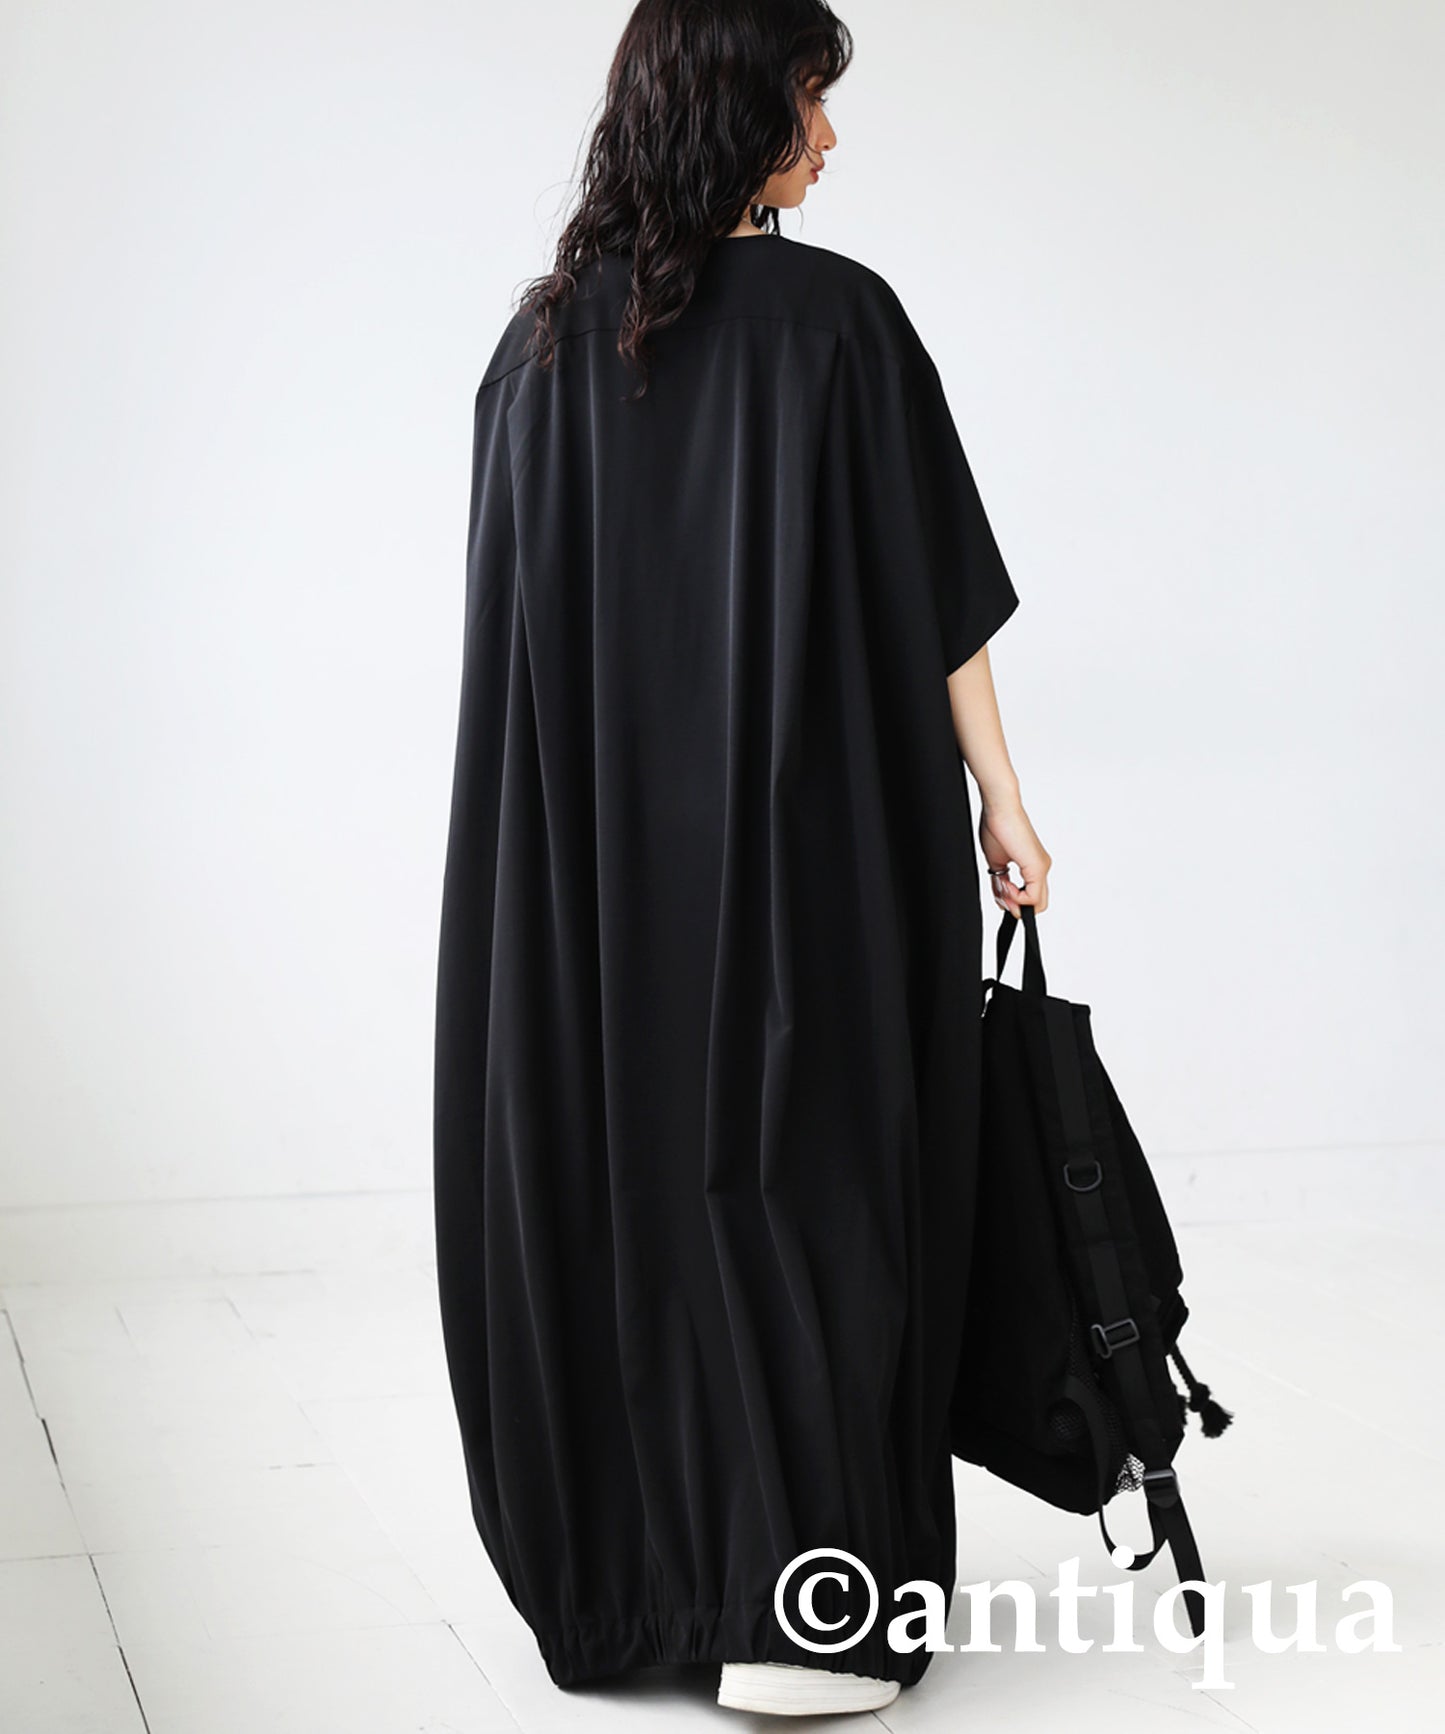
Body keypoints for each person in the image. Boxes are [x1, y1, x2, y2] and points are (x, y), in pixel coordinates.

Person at [432, 0, 1051, 1718]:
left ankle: (637, 1592)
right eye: (805, 102)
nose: (828, 140)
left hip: (592, 886)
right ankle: (802, 1605)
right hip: (815, 851)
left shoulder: (536, 350)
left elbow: (516, 663)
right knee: (819, 1175)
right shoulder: (839, 324)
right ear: (728, 108)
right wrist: (1001, 798)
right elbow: (939, 603)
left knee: (616, 1180)